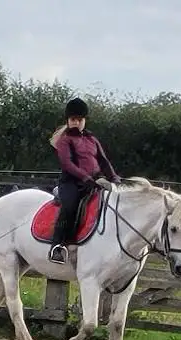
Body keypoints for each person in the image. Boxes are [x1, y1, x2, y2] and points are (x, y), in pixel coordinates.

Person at [48, 97, 121, 264]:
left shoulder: (92, 139)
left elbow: (103, 161)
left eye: (79, 120)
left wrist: (114, 178)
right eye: (73, 119)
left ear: (84, 121)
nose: (76, 123)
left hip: (94, 182)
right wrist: (86, 178)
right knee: (70, 206)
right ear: (68, 120)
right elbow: (67, 164)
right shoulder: (64, 140)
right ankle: (57, 246)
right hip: (71, 183)